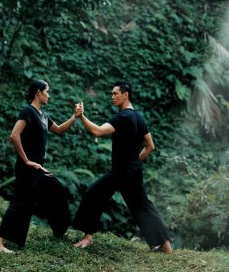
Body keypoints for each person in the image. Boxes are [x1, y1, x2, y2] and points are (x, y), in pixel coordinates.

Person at [72, 81, 172, 253]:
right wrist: (135, 162)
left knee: (92, 194)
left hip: (121, 171)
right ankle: (165, 245)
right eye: (112, 94)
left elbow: (97, 131)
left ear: (125, 95)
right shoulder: (138, 117)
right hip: (132, 170)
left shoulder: (122, 117)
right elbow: (150, 146)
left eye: (115, 93)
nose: (112, 97)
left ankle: (87, 238)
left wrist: (81, 117)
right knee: (142, 206)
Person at [0, 79, 84, 253]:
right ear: (38, 93)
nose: (48, 95)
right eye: (46, 91)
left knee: (56, 189)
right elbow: (14, 135)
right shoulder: (28, 111)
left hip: (39, 167)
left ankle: (59, 231)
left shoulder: (43, 116)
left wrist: (75, 117)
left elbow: (59, 130)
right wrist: (26, 160)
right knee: (21, 202)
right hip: (28, 166)